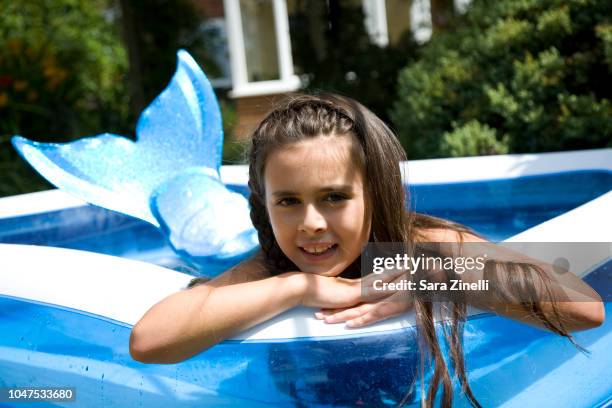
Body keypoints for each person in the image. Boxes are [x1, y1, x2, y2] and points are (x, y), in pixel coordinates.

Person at [129, 93, 604, 407]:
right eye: (289, 202)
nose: (312, 223)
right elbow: (148, 341)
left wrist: (428, 278)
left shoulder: (414, 247)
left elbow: (582, 307)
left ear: (374, 194)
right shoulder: (270, 267)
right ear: (264, 206)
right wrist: (300, 287)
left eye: (334, 198)